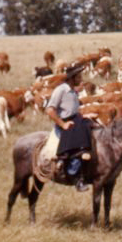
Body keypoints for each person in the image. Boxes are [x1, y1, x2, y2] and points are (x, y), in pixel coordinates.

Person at [45, 64, 92, 192]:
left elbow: (73, 110)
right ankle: (74, 174)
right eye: (79, 76)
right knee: (78, 143)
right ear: (72, 78)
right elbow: (50, 110)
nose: (81, 78)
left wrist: (85, 116)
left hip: (75, 120)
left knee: (91, 125)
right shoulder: (61, 90)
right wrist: (62, 124)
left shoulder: (73, 91)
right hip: (66, 123)